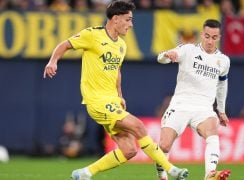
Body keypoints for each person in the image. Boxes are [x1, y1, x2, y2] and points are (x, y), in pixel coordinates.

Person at [43, 1, 189, 180]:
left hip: (112, 101)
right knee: (139, 126)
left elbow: (116, 71)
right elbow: (64, 44)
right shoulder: (93, 35)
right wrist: (53, 61)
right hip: (97, 101)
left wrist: (120, 95)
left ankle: (84, 173)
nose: (131, 24)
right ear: (116, 19)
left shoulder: (121, 45)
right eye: (128, 20)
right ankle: (170, 170)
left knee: (129, 150)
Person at [156, 19, 231, 180]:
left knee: (212, 133)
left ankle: (210, 174)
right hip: (181, 105)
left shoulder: (223, 61)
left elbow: (222, 86)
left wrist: (221, 110)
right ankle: (162, 175)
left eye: (214, 37)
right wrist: (168, 55)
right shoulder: (188, 50)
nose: (210, 41)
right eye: (207, 36)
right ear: (202, 34)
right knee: (164, 145)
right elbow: (160, 59)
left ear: (219, 37)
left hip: (204, 108)